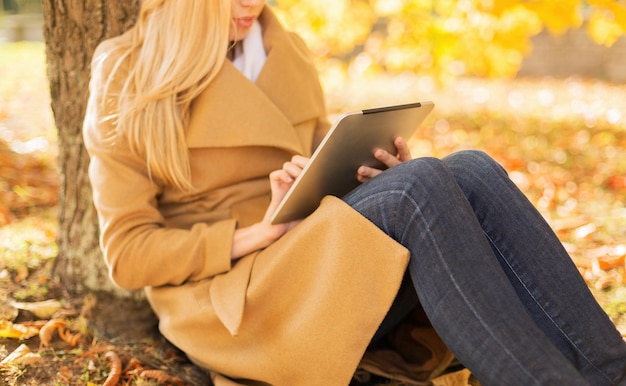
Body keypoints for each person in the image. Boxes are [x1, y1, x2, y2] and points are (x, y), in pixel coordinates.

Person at [82, 0, 626, 385]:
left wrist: (374, 171)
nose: (252, 4)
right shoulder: (127, 70)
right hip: (234, 296)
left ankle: (612, 373)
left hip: (305, 250)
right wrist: (256, 234)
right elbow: (127, 254)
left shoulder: (282, 49)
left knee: (471, 171)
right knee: (419, 189)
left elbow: (319, 163)